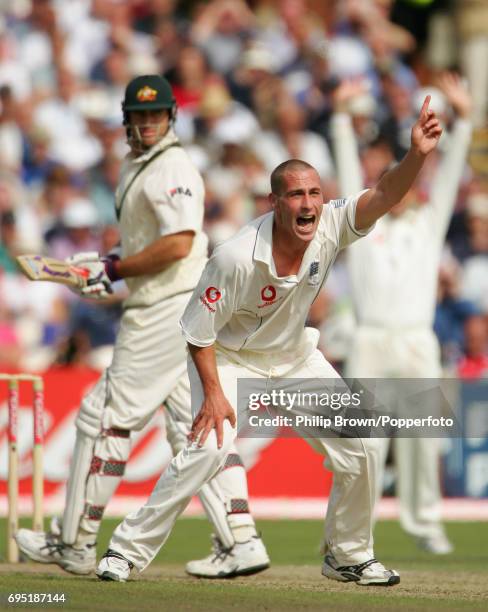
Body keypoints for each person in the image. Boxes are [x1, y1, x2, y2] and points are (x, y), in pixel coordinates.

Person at [95, 97, 442, 585]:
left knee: (360, 444)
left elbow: (385, 193)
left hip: (294, 359)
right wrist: (214, 395)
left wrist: (418, 156)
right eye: (296, 195)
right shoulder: (235, 257)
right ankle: (125, 552)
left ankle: (347, 554)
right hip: (228, 359)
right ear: (274, 202)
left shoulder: (330, 225)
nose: (308, 204)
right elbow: (197, 332)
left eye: (314, 193)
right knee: (209, 450)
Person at [15, 74, 269, 578]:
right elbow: (151, 247)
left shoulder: (170, 166)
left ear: (170, 117)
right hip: (178, 305)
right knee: (193, 427)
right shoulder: (140, 164)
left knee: (103, 415)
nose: (148, 122)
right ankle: (241, 540)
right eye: (140, 115)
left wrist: (112, 270)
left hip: (165, 309)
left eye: (156, 115)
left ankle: (75, 542)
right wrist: (101, 265)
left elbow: (178, 243)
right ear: (128, 120)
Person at [330, 73, 472, 554]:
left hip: (415, 340)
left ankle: (426, 523)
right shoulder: (363, 225)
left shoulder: (429, 224)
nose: (402, 190)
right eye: (394, 184)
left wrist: (466, 118)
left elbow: (449, 173)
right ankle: (351, 535)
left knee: (421, 443)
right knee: (360, 446)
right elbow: (350, 175)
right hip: (371, 340)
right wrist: (340, 118)